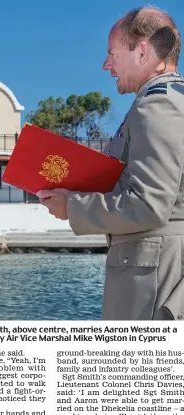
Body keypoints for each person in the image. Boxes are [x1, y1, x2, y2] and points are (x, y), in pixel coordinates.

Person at [38, 7, 184, 321]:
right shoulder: (172, 99)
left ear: (142, 51)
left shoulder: (157, 106)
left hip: (155, 281)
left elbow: (150, 205)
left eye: (112, 54)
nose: (106, 65)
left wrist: (72, 207)